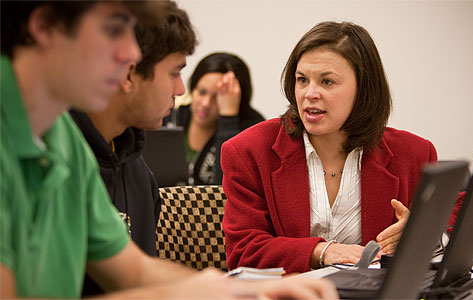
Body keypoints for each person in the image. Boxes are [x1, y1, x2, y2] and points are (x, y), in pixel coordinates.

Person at [0, 1, 338, 299]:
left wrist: (242, 289)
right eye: (113, 29)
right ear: (45, 27)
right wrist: (182, 293)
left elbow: (131, 270)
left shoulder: (63, 137)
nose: (131, 53)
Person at [221, 21, 463, 274]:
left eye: (327, 82)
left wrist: (424, 227)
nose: (309, 93)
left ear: (364, 89)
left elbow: (459, 207)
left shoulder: (412, 152)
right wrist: (323, 251)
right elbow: (243, 251)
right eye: (302, 80)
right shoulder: (249, 151)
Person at [69, 0, 196, 295]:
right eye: (174, 73)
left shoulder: (140, 175)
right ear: (129, 73)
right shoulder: (57, 158)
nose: (181, 90)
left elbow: (135, 275)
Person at [165, 52, 264, 185]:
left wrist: (228, 118)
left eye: (218, 97)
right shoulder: (170, 117)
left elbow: (227, 189)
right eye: (202, 92)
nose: (205, 103)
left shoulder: (252, 130)